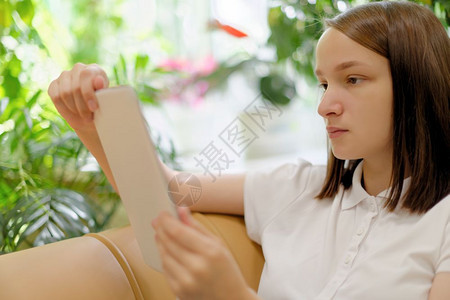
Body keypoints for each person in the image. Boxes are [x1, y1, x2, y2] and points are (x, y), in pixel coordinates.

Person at [48, 1, 449, 299]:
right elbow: (170, 191)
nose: (325, 105)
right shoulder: (295, 188)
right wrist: (91, 124)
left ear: (417, 83)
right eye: (324, 84)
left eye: (354, 79)